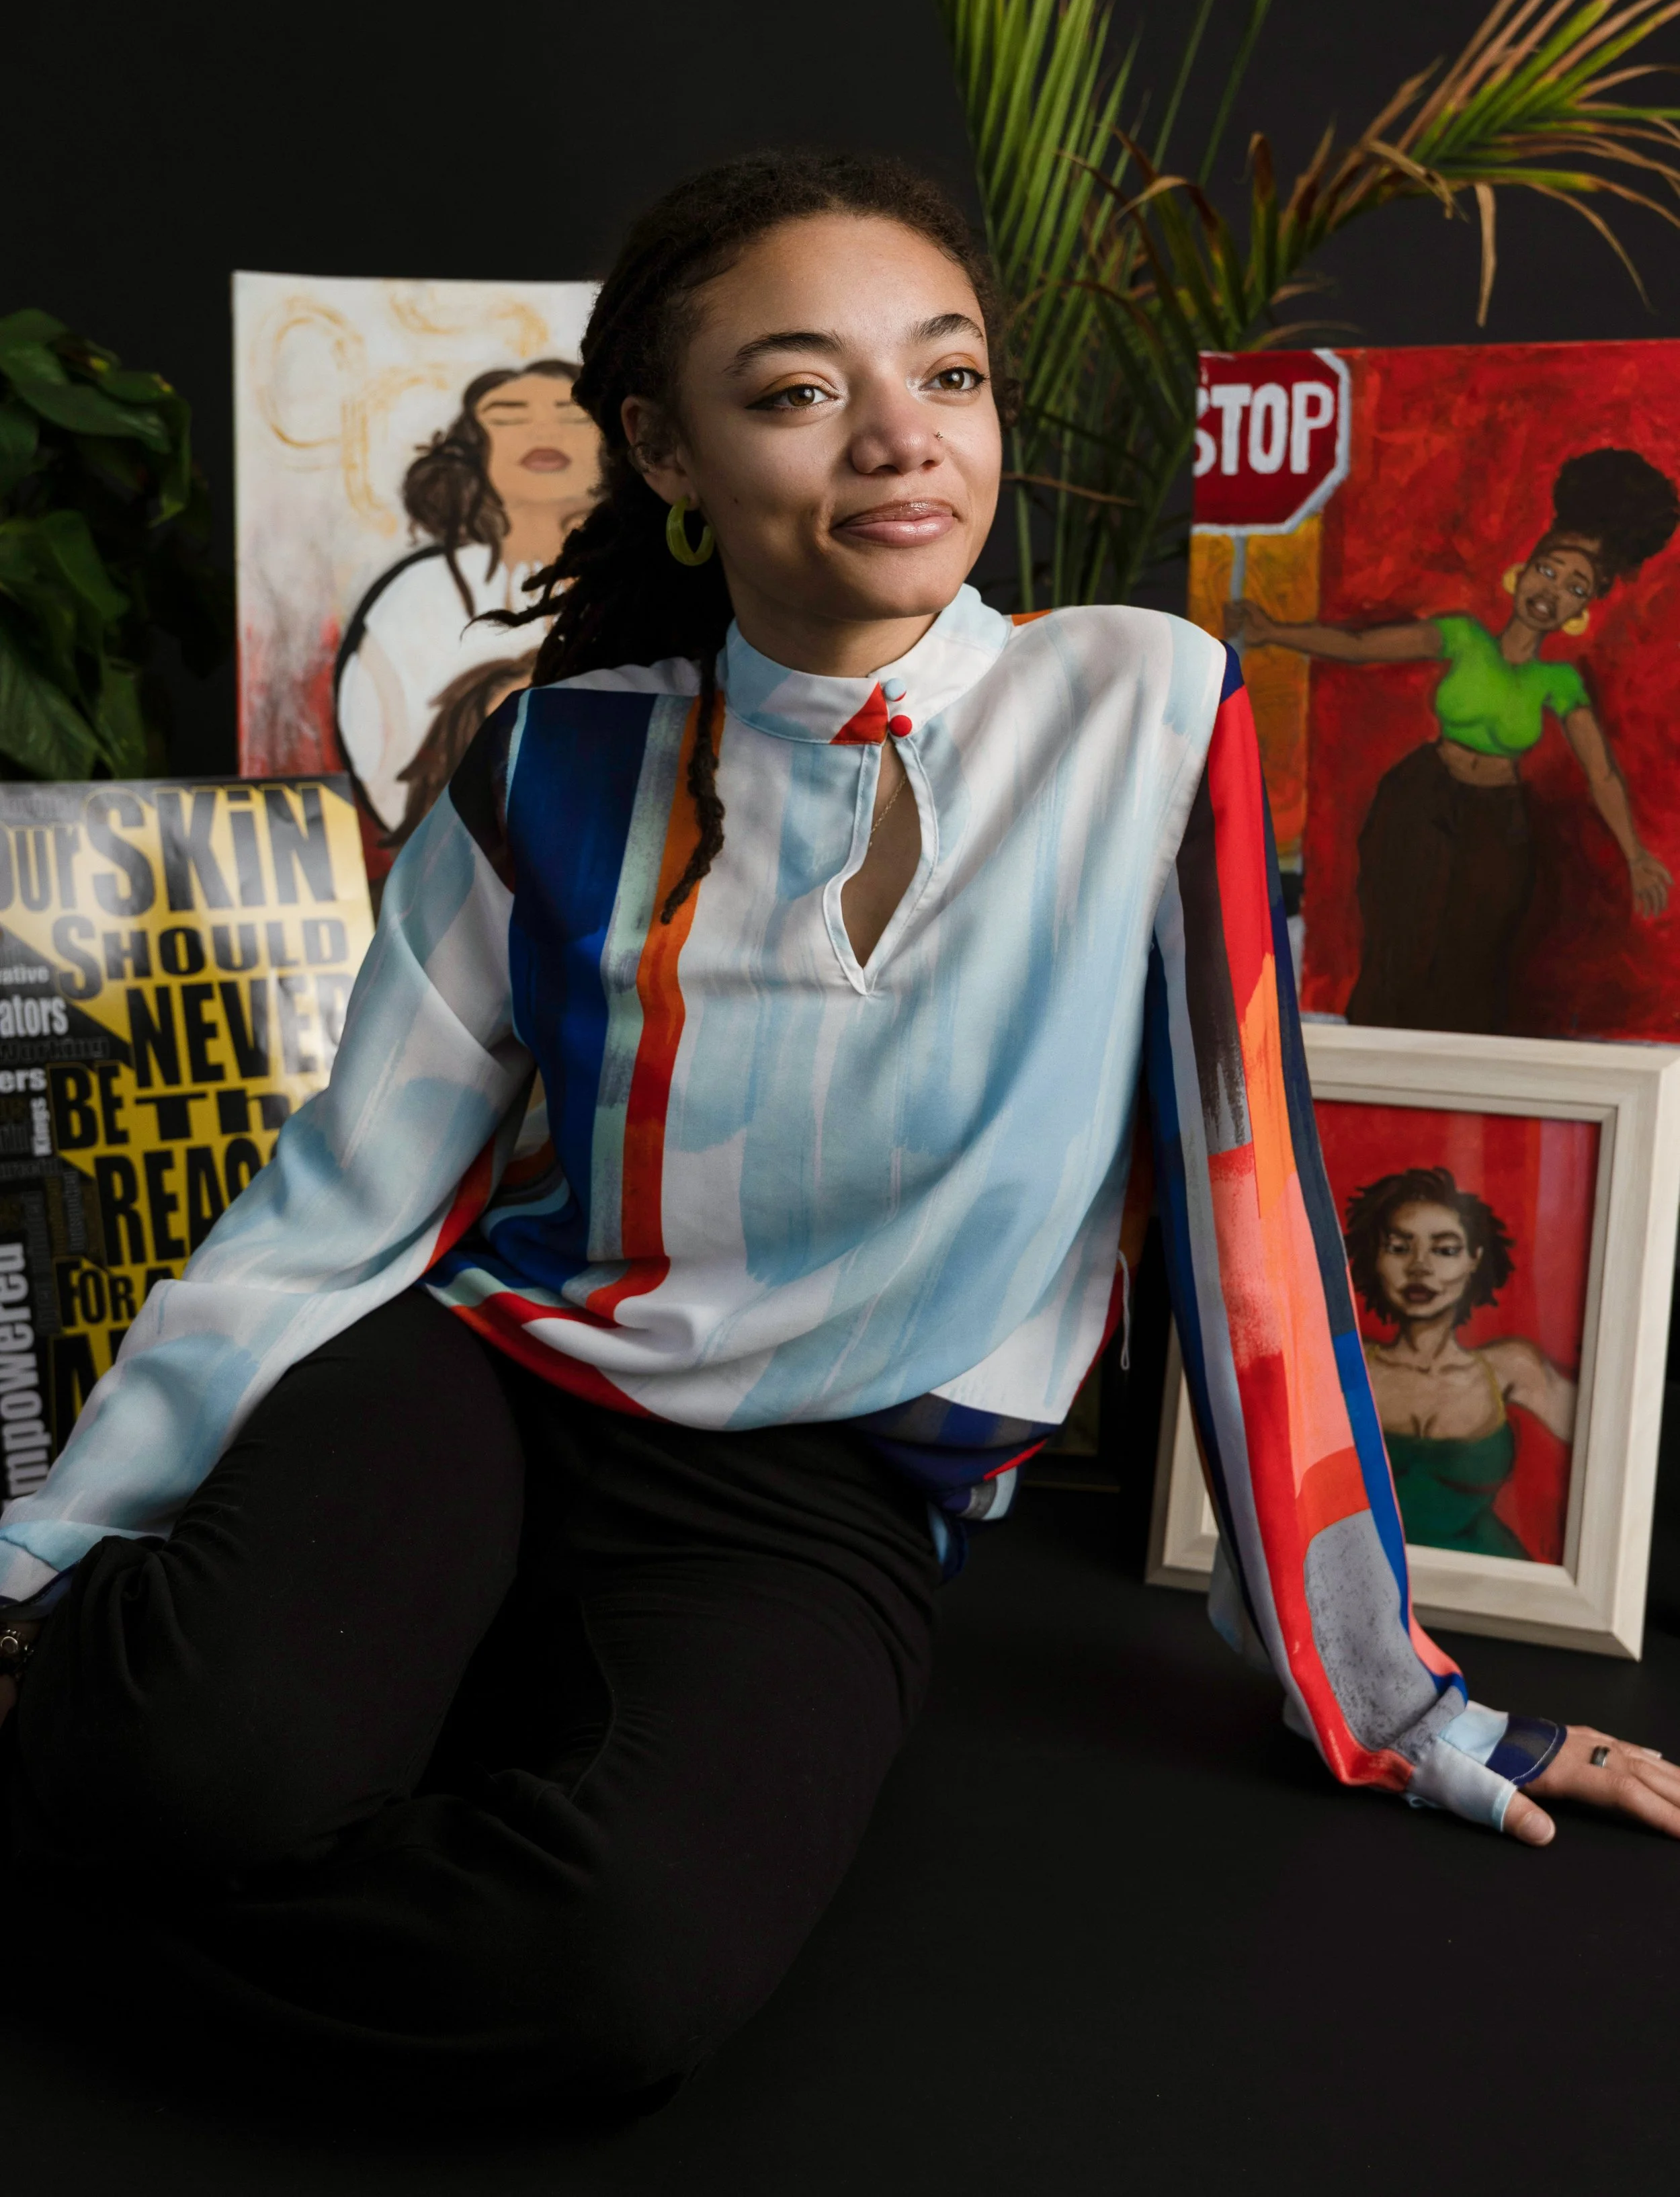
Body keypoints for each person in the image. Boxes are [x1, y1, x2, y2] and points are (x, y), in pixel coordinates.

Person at [2, 153, 1675, 2121]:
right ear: (667, 449)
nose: (900, 438)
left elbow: (1257, 1210)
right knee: (187, 1761)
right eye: (799, 389)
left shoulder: (1143, 710)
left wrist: (1388, 1697)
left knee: (606, 1971)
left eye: (946, 374)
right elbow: (338, 1203)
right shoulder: (549, 757)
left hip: (824, 1485)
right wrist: (49, 1546)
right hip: (488, 1373)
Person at [1227, 450, 1679, 1030]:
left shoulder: (1558, 682)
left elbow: (1603, 773)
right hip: (1421, 799)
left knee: (1475, 954)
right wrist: (1271, 632)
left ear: (1580, 612)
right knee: (1400, 939)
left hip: (1498, 821)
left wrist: (1636, 855)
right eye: (1548, 571)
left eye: (1575, 587)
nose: (1553, 590)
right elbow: (1360, 647)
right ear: (1520, 573)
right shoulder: (1463, 637)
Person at [335, 359, 599, 837]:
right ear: (473, 449)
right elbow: (385, 764)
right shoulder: (416, 596)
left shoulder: (652, 587)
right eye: (508, 415)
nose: (543, 429)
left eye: (571, 413)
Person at [1343, 1166, 1575, 1559]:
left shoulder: (1510, 1369)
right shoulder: (1345, 1364)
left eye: (1445, 1250)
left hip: (1487, 1580)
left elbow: (1615, 1437)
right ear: (1375, 1257)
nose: (1420, 1267)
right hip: (1362, 1574)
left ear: (1474, 1260)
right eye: (1399, 1247)